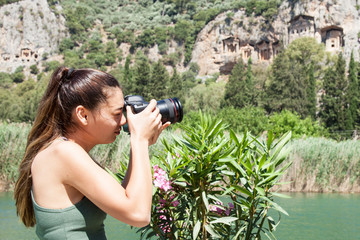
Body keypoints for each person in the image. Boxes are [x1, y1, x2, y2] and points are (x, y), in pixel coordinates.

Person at [13, 66, 170, 239]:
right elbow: (139, 215)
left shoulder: (65, 151)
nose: (124, 120)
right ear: (83, 115)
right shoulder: (63, 153)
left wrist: (141, 143)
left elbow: (124, 199)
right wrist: (139, 139)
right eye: (117, 113)